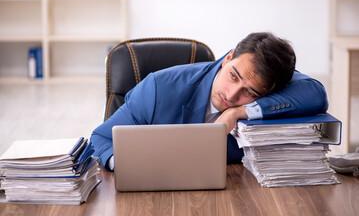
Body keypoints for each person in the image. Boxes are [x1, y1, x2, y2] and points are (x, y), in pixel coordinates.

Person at [90, 32, 328, 171]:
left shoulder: (264, 91)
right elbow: (100, 138)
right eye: (233, 76)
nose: (233, 95)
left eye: (251, 92)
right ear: (228, 58)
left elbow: (315, 93)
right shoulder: (157, 89)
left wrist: (240, 112)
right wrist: (124, 165)